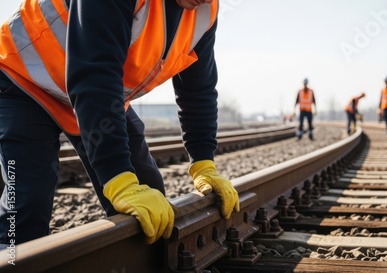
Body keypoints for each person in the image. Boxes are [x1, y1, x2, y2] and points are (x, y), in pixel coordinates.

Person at [0, 0, 239, 247]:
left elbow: (197, 89)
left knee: (147, 194)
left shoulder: (205, 11)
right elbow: (95, 72)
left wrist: (203, 163)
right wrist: (117, 176)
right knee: (27, 203)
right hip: (23, 82)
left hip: (91, 94)